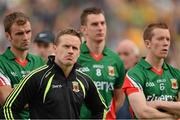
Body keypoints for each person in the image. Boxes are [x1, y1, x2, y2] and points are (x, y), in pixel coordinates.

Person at [0, 28, 106, 119]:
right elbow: (9, 107)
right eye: (66, 46)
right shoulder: (37, 77)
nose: (70, 51)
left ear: (79, 52)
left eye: (74, 48)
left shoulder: (84, 80)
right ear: (55, 48)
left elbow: (101, 109)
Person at [122, 22, 180, 119]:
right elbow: (143, 113)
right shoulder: (134, 74)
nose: (165, 43)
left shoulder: (176, 74)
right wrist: (174, 116)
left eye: (168, 39)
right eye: (160, 39)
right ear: (148, 44)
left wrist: (159, 103)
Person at [78, 7, 125, 119]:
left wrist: (106, 115)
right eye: (95, 24)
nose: (100, 28)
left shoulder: (116, 60)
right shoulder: (75, 56)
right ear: (84, 29)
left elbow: (119, 97)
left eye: (102, 23)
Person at [0, 12, 45, 119]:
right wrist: (38, 98)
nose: (25, 37)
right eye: (19, 33)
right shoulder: (1, 63)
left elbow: (52, 96)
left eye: (28, 32)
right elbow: (8, 100)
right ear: (8, 36)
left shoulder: (39, 62)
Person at [115, 39, 140, 119]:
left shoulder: (143, 79)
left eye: (126, 54)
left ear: (136, 58)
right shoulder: (110, 79)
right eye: (119, 54)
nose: (121, 58)